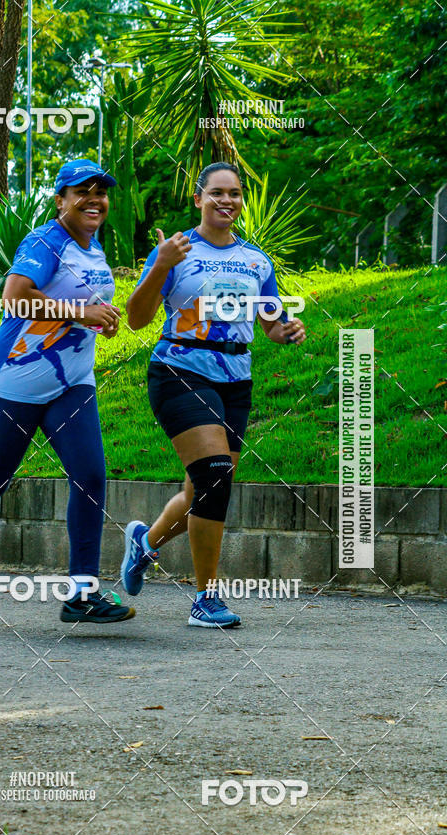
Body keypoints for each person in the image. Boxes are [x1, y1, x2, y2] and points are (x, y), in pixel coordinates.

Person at [0, 159, 135, 629]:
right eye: (82, 192)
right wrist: (80, 312)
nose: (94, 200)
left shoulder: (94, 247)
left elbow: (83, 305)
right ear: (61, 201)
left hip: (71, 383)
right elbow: (14, 297)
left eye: (101, 192)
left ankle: (82, 594)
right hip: (14, 382)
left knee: (90, 476)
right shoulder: (45, 241)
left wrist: (102, 317)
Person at [120, 162, 306, 628]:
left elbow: (270, 322)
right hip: (179, 369)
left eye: (235, 193)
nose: (227, 201)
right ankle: (206, 598)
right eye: (217, 193)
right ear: (199, 198)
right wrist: (161, 264)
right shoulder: (175, 249)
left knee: (204, 488)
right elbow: (137, 319)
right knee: (216, 476)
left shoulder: (256, 260)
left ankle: (145, 543)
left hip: (235, 380)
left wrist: (286, 331)